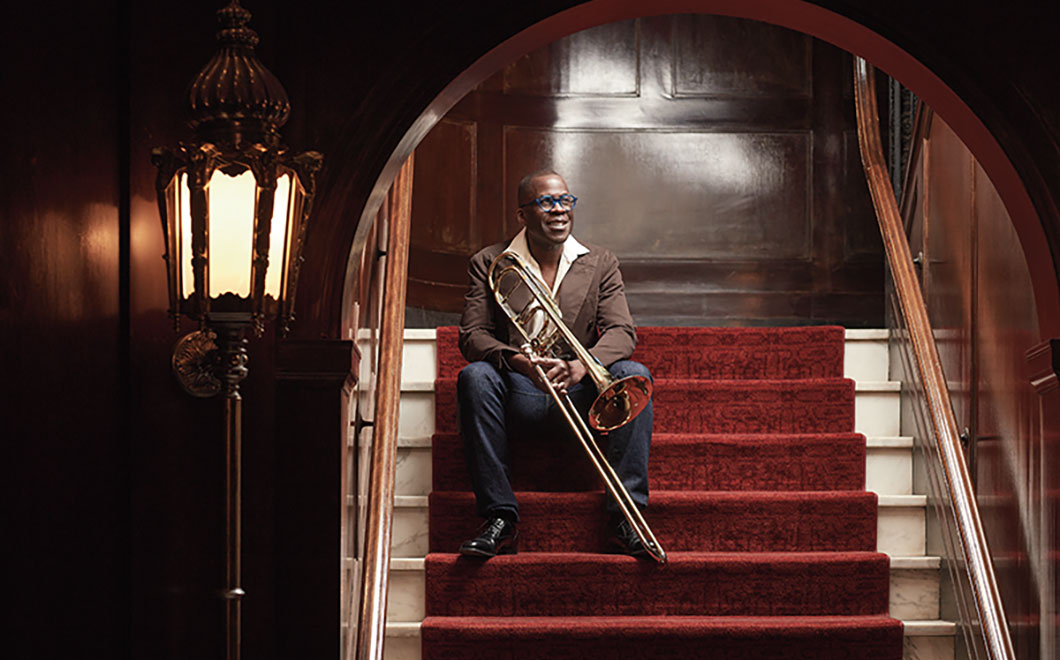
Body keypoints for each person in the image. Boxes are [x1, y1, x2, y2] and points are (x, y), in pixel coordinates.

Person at [456, 168, 654, 559]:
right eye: (547, 202)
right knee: (474, 377)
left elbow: (622, 331)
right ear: (522, 215)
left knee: (635, 374)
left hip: (580, 393)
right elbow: (472, 335)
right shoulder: (490, 261)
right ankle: (500, 519)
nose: (560, 210)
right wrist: (519, 363)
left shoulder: (600, 262)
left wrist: (586, 365)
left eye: (566, 200)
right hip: (521, 389)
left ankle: (624, 518)